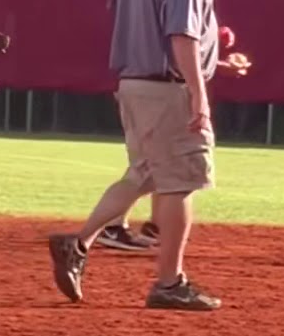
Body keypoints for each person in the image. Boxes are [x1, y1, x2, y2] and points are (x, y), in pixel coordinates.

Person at [47, 0, 224, 311]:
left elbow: (142, 20)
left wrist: (212, 61)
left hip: (134, 82)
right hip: (168, 88)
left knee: (146, 173)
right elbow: (179, 33)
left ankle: (79, 241)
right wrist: (199, 93)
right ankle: (169, 283)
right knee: (181, 182)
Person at [97, 23, 251, 252]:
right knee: (153, 165)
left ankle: (155, 226)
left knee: (160, 164)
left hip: (142, 86)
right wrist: (219, 66)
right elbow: (175, 52)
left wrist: (215, 58)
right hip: (158, 90)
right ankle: (107, 228)